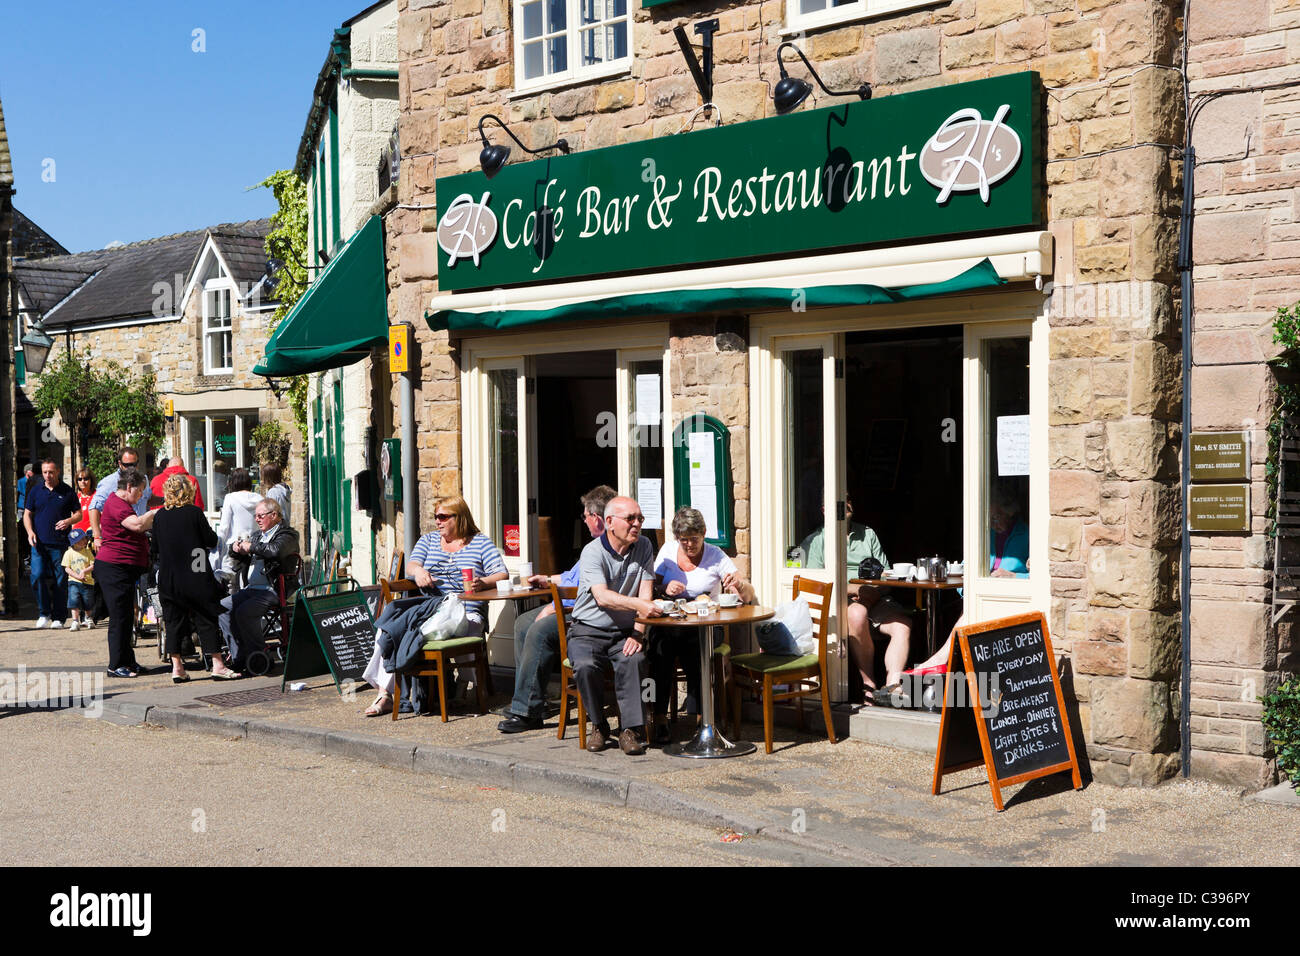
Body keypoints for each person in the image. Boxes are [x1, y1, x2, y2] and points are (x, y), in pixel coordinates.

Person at [362, 495, 508, 717]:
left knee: (417, 631)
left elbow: (502, 572)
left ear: (459, 518)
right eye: (436, 517)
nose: (437, 521)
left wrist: (483, 582)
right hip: (430, 608)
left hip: (465, 609)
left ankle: (460, 687)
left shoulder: (479, 542)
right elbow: (411, 564)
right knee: (390, 628)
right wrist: (419, 572)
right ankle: (385, 694)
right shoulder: (429, 540)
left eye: (442, 517)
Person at [497, 484, 617, 734]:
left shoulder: (606, 547)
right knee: (522, 623)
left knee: (540, 630)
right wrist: (548, 579)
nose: (583, 521)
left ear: (596, 518)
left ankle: (527, 712)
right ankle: (531, 700)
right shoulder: (592, 545)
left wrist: (553, 608)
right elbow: (572, 578)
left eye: (585, 516)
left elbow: (586, 592)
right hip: (569, 604)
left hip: (586, 612)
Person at [648, 507, 756, 744]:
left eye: (694, 539)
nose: (689, 545)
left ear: (704, 533)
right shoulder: (667, 551)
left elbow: (748, 595)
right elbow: (650, 586)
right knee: (658, 652)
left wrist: (737, 584)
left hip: (706, 625)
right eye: (684, 540)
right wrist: (664, 588)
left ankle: (701, 719)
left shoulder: (716, 556)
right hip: (671, 622)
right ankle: (658, 717)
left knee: (696, 652)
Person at [568, 494, 663, 755]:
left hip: (624, 631)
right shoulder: (592, 552)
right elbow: (602, 596)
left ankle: (630, 730)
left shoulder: (643, 546)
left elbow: (646, 594)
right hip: (587, 629)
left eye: (640, 518)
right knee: (586, 665)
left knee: (634, 660)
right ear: (609, 522)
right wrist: (640, 607)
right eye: (630, 518)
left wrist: (638, 633)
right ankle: (598, 725)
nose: (637, 524)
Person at [799, 494, 912, 701]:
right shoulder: (817, 540)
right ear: (824, 510)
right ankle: (868, 684)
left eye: (849, 498)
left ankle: (892, 686)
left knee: (902, 625)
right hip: (841, 601)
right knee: (858, 613)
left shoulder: (867, 534)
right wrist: (852, 590)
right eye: (839, 499)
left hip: (874, 596)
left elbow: (885, 574)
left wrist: (873, 591)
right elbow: (817, 584)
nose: (846, 502)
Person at [153, 475, 241, 682]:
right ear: (187, 491)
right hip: (196, 569)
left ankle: (177, 668)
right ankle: (218, 664)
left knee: (173, 621)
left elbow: (155, 549)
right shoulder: (194, 513)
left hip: (169, 576)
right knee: (206, 618)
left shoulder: (159, 516)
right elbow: (210, 540)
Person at [218, 497, 299, 672]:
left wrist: (251, 547)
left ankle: (259, 654)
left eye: (261, 516)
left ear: (274, 515)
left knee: (244, 612)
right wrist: (236, 549)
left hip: (274, 589)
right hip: (252, 589)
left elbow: (275, 551)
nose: (257, 519)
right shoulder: (256, 536)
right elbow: (242, 558)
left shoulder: (288, 535)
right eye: (256, 516)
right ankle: (240, 654)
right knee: (222, 608)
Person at [94, 468, 155, 677]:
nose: (141, 495)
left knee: (127, 616)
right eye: (140, 491)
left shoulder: (123, 503)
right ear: (129, 487)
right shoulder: (117, 504)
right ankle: (115, 665)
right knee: (119, 618)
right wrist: (156, 512)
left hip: (123, 569)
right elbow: (137, 525)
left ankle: (128, 661)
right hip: (114, 568)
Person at [23, 459, 81, 629]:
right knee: (37, 575)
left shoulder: (67, 491)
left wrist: (68, 520)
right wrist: (30, 532)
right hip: (38, 543)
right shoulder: (36, 491)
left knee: (60, 579)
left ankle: (59, 617)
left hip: (60, 542)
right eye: (45, 472)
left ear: (58, 472)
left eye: (51, 472)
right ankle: (44, 612)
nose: (48, 475)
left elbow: (79, 514)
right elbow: (27, 514)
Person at [88, 447, 147, 550]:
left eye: (134, 464)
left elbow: (147, 499)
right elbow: (94, 508)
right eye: (127, 465)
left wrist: (166, 500)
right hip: (119, 540)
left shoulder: (143, 479)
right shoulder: (109, 482)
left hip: (140, 537)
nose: (131, 468)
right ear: (120, 463)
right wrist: (97, 536)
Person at [215, 468, 263, 583]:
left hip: (234, 547)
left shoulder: (230, 498)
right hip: (254, 547)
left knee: (231, 585)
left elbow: (224, 527)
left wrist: (218, 548)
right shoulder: (260, 498)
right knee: (251, 582)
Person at [61, 529, 96, 631]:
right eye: (82, 539)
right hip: (73, 582)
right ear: (75, 542)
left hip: (87, 581)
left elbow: (93, 565)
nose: (85, 541)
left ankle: (88, 618)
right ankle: (75, 621)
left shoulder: (88, 552)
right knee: (73, 601)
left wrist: (84, 571)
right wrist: (76, 576)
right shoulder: (68, 553)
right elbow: (67, 568)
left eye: (85, 539)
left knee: (88, 602)